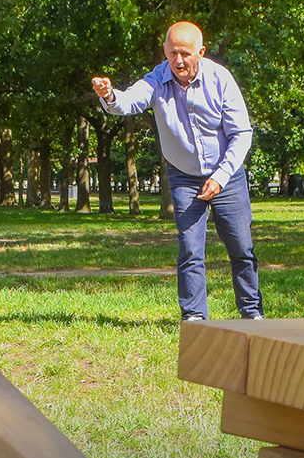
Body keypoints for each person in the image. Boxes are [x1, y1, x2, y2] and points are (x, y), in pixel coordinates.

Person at [92, 22, 263, 321]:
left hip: (227, 175)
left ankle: (252, 314)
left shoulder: (220, 79)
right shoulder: (158, 79)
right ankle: (195, 317)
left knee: (241, 248)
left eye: (185, 53)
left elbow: (242, 134)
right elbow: (130, 101)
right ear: (164, 52)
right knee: (190, 249)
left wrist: (220, 178)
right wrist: (109, 96)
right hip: (184, 176)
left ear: (201, 52)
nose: (178, 61)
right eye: (172, 53)